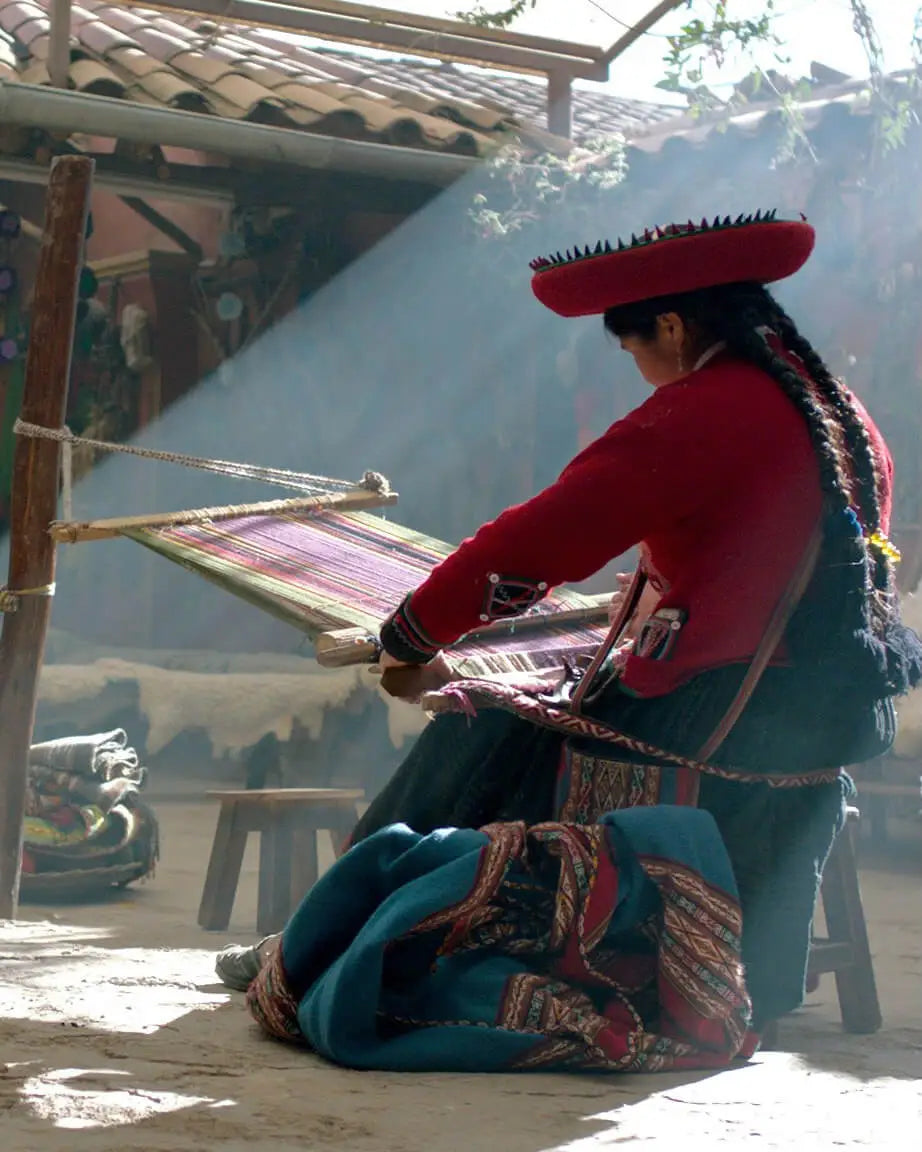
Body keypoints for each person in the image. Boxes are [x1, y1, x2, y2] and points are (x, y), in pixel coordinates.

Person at [216, 212, 920, 1048]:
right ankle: (374, 924)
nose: (639, 371)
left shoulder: (703, 413)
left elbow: (536, 541)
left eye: (633, 349)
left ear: (671, 323)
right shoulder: (842, 416)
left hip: (719, 718)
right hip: (820, 717)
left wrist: (411, 638)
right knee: (535, 702)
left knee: (482, 723)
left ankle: (325, 939)